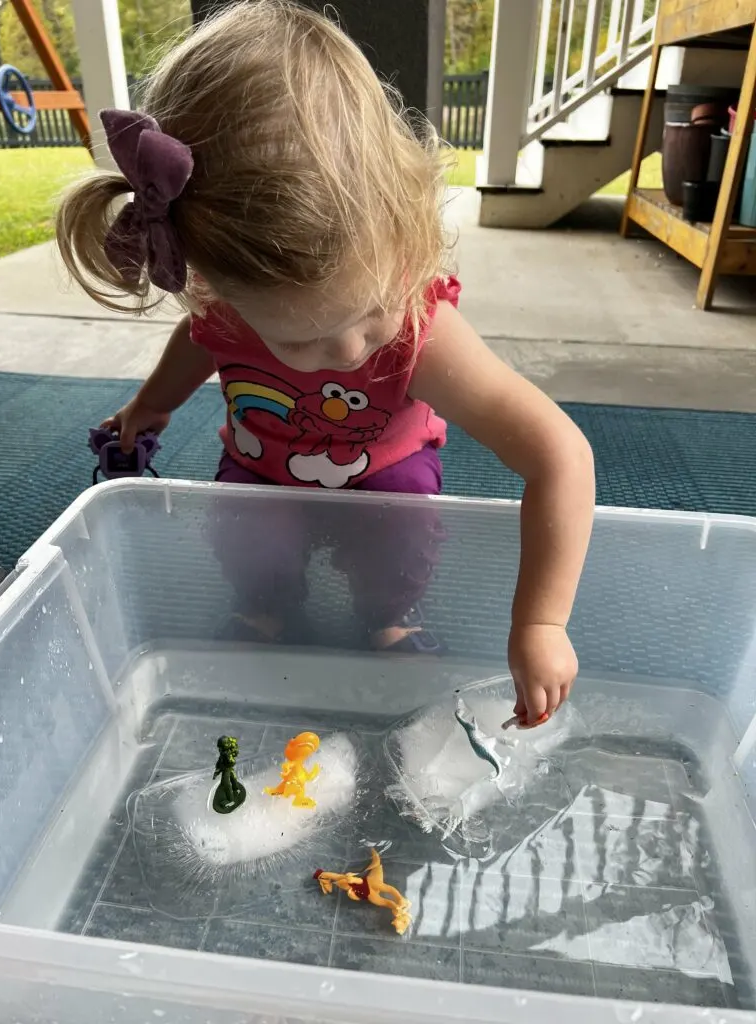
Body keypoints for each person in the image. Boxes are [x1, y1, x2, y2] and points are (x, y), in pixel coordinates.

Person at [55, 0, 594, 726]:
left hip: (385, 470)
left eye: (368, 312)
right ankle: (265, 606)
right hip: (263, 466)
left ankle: (388, 616)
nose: (347, 350)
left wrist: (541, 624)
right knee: (248, 536)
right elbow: (196, 343)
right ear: (213, 287)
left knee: (396, 537)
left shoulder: (418, 332)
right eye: (302, 340)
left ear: (405, 232)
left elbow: (560, 455)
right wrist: (154, 405)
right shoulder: (225, 304)